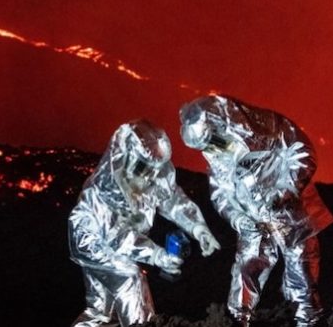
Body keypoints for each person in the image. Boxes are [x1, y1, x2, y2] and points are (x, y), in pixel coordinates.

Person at [179, 95, 333, 327]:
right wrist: (239, 219)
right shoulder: (217, 156)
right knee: (247, 266)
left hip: (291, 213)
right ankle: (237, 318)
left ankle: (306, 318)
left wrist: (285, 191)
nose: (211, 149)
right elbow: (221, 195)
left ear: (222, 123)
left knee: (301, 266)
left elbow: (303, 153)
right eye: (205, 146)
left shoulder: (269, 128)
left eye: (212, 141)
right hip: (254, 219)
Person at [68, 119, 220, 327]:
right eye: (143, 167)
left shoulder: (155, 171)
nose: (150, 174)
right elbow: (118, 236)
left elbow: (173, 200)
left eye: (156, 167)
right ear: (125, 155)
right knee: (130, 279)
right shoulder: (105, 189)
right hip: (93, 239)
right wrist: (156, 255)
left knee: (102, 309)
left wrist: (198, 227)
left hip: (116, 239)